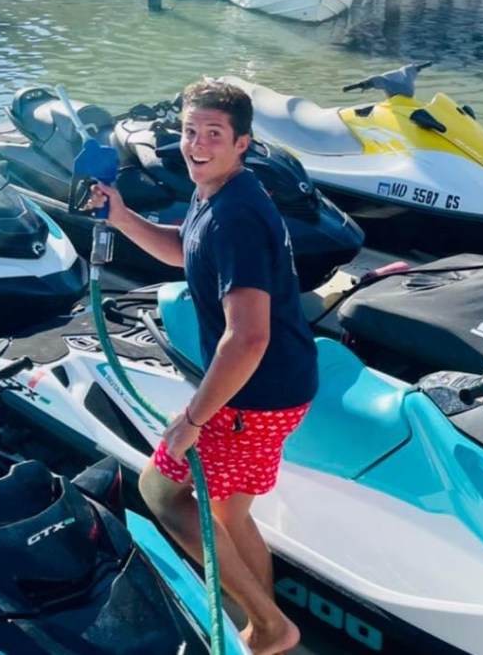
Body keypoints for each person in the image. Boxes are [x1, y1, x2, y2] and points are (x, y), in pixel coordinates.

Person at [89, 78, 318, 655]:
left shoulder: (234, 217)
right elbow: (185, 248)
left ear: (243, 142)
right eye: (190, 131)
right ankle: (267, 627)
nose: (196, 144)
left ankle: (269, 626)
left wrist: (192, 417)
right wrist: (120, 217)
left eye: (213, 134)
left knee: (161, 491)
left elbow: (247, 337)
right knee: (229, 511)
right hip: (281, 386)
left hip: (255, 395)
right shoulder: (218, 191)